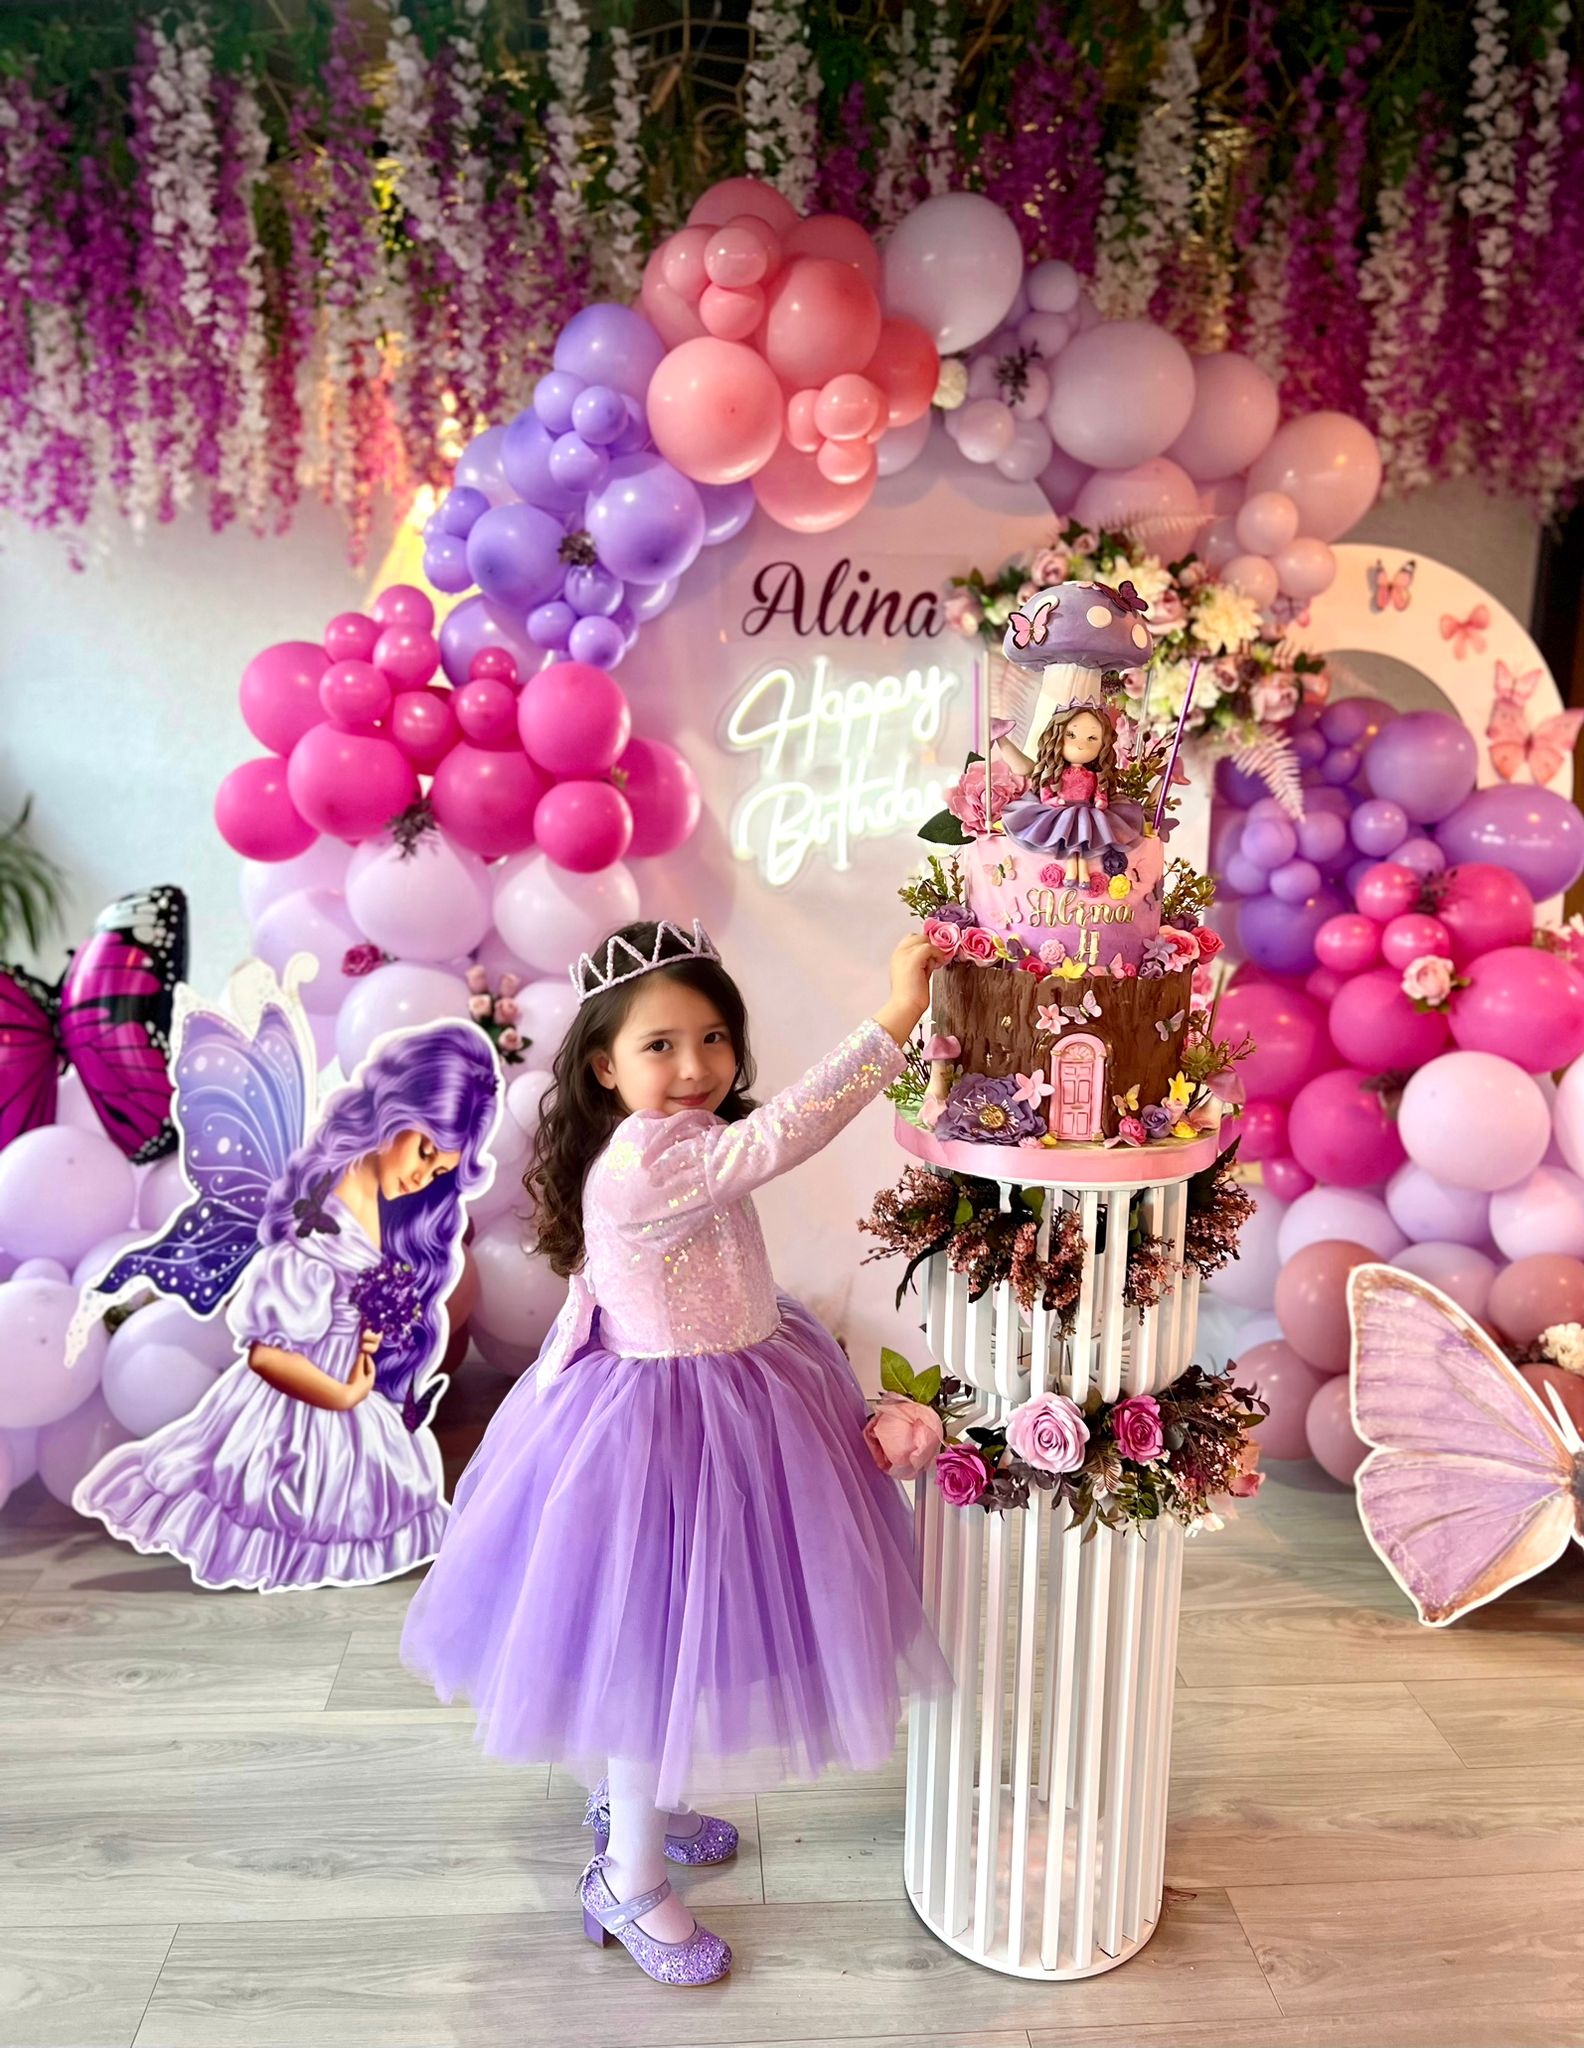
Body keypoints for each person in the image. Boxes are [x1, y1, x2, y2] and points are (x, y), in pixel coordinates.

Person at [400, 918, 951, 1987]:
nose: (695, 1065)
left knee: (686, 1634)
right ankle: (627, 1875)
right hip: (661, 1430)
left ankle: (636, 1797)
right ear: (605, 1067)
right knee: (653, 1647)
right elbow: (786, 1130)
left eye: (713, 1037)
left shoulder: (674, 1141)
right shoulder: (650, 1167)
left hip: (735, 1388)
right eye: (660, 1044)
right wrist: (896, 1015)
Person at [74, 1021, 499, 1593]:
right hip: (298, 1406)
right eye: (424, 1151)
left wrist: (367, 1339)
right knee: (284, 1503)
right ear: (394, 1113)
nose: (424, 1176)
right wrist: (343, 1393)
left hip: (351, 1394)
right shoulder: (315, 1227)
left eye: (440, 1171)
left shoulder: (393, 1212)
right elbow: (266, 1357)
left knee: (377, 1493)